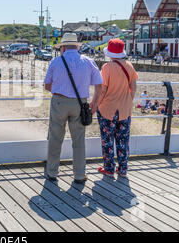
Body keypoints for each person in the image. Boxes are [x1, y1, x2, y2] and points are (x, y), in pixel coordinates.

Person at [44, 33, 103, 184]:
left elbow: (47, 85)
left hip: (59, 102)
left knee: (55, 137)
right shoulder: (88, 61)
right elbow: (99, 83)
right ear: (77, 46)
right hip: (80, 103)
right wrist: (94, 103)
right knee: (78, 140)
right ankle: (79, 174)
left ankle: (52, 172)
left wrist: (60, 91)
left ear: (63, 47)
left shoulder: (56, 61)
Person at [91, 39, 138, 178]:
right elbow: (134, 88)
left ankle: (109, 168)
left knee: (108, 139)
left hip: (108, 109)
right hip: (125, 109)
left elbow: (103, 89)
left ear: (110, 53)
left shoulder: (106, 67)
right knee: (123, 139)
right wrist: (128, 101)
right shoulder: (129, 66)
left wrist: (97, 104)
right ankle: (123, 169)